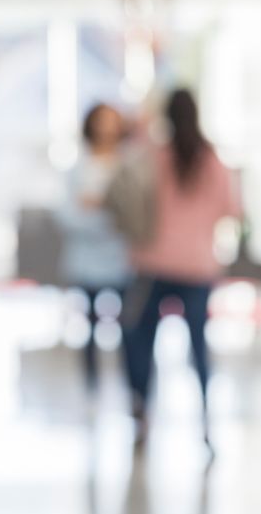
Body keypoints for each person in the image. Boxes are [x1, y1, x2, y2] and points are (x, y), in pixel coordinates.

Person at [121, 88, 241, 447]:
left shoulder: (155, 156)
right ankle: (205, 420)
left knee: (139, 338)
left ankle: (142, 410)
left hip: (153, 263)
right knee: (198, 346)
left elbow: (130, 186)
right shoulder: (212, 161)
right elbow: (232, 209)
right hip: (198, 267)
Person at [57, 103, 131, 390]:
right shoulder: (79, 166)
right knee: (88, 322)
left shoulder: (127, 165)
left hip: (121, 257)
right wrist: (99, 219)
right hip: (86, 256)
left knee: (127, 325)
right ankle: (91, 384)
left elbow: (132, 213)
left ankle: (129, 384)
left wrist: (101, 211)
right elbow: (66, 211)